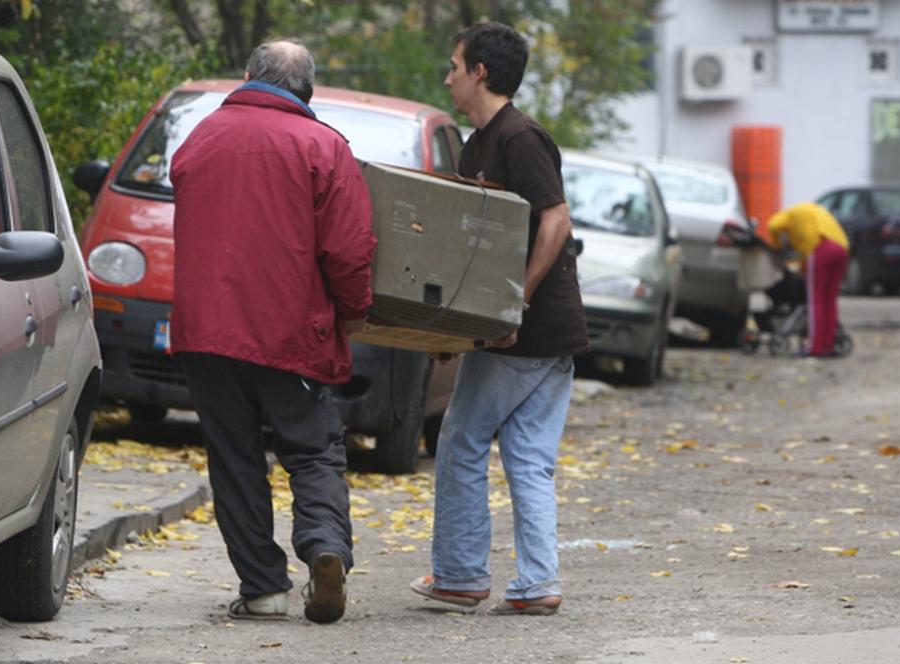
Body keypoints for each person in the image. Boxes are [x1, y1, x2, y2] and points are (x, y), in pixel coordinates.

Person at [169, 40, 376, 624]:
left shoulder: (201, 136)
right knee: (312, 453)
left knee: (234, 459)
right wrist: (354, 311)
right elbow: (350, 249)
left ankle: (262, 589)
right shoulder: (325, 148)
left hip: (207, 332)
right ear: (307, 90)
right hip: (291, 332)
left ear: (247, 75)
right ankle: (325, 547)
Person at [409, 22, 589, 616]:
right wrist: (452, 328)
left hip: (525, 332)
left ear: (480, 72)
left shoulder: (520, 138)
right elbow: (473, 247)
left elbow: (555, 221)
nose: (448, 77)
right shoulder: (478, 142)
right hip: (537, 330)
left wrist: (516, 303)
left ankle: (460, 576)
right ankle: (538, 584)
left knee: (460, 442)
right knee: (528, 458)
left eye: (454, 65)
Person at [766, 202, 849, 357]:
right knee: (829, 300)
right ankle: (828, 345)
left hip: (821, 250)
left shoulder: (787, 215)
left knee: (814, 300)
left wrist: (776, 246)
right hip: (841, 248)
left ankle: (815, 347)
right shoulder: (813, 211)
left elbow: (772, 226)